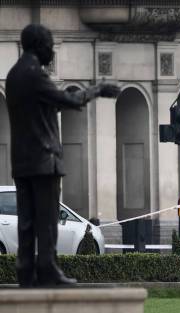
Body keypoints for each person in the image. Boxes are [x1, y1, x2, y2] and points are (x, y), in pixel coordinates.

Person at [6, 24, 120, 287]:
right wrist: (97, 90)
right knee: (46, 221)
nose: (52, 50)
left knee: (26, 222)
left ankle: (25, 270)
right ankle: (47, 268)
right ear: (38, 45)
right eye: (50, 44)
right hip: (43, 159)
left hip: (22, 161)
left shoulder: (14, 75)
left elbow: (45, 105)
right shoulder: (35, 74)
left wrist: (65, 96)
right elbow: (67, 102)